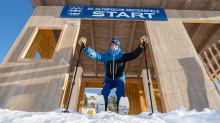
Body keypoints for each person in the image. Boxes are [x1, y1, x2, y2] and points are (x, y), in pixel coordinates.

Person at [78, 36, 148, 113]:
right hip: (108, 80)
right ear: (110, 46)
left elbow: (133, 55)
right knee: (105, 90)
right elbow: (95, 55)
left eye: (116, 44)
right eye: (112, 44)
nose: (114, 46)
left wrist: (141, 46)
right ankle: (103, 107)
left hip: (119, 79)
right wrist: (85, 47)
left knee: (120, 90)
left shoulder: (122, 55)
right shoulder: (106, 56)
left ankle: (120, 107)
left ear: (118, 46)